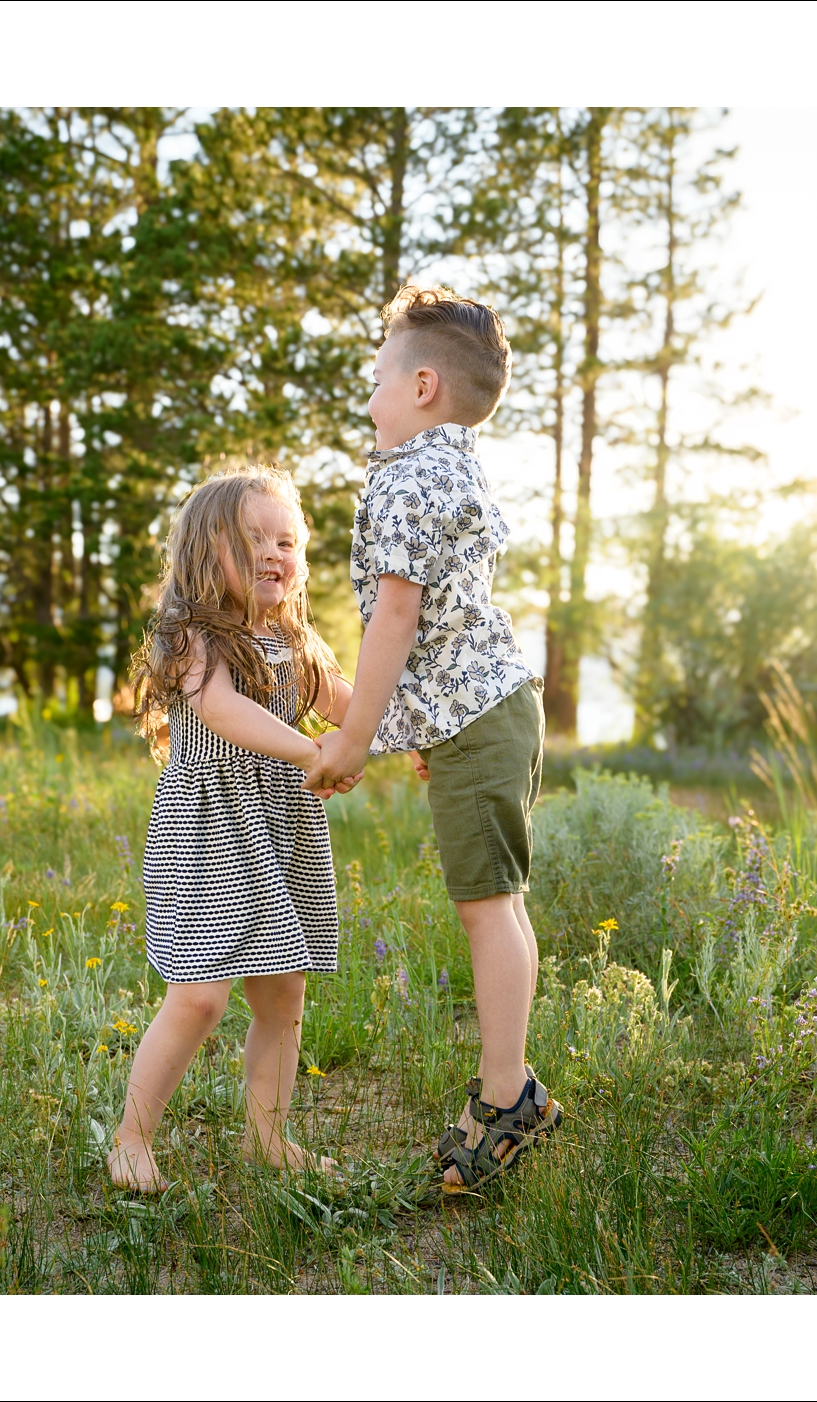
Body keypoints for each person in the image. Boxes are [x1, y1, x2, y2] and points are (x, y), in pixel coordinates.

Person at [303, 284, 562, 1193]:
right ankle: (512, 1083)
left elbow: (398, 620)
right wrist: (422, 724)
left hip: (481, 715)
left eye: (376, 380)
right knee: (501, 900)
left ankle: (506, 1095)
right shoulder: (456, 468)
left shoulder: (413, 476)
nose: (368, 399)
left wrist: (355, 739)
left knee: (487, 906)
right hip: (487, 709)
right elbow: (443, 618)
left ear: (420, 387)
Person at [106, 466, 356, 1194]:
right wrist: (312, 750)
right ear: (202, 553)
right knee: (200, 995)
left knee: (283, 991)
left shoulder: (294, 643)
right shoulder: (191, 637)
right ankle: (131, 1137)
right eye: (253, 539)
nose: (275, 553)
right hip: (211, 832)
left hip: (278, 831)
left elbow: (349, 703)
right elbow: (218, 710)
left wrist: (403, 734)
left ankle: (268, 1137)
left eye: (287, 540)